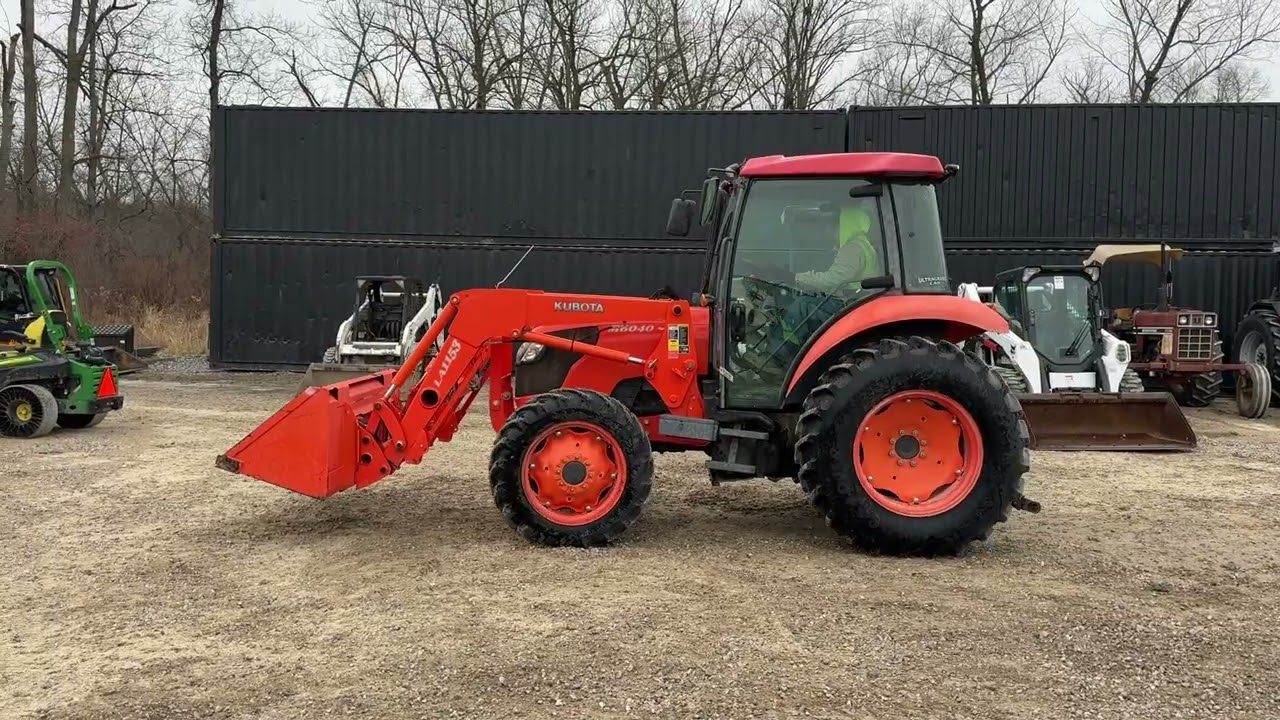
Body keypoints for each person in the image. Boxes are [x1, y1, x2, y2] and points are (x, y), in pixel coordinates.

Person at [744, 204, 883, 371]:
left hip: (844, 303)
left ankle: (779, 358)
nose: (830, 231)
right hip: (853, 300)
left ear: (846, 225)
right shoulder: (863, 246)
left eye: (835, 225)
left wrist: (795, 278)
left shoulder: (852, 249)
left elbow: (830, 281)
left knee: (800, 307)